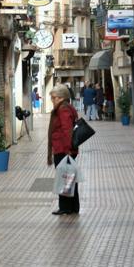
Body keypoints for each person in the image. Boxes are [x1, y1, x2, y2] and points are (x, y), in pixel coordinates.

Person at [47, 84, 80, 215]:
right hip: (65, 149)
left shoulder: (63, 110)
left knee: (64, 178)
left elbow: (67, 131)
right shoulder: (66, 107)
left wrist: (67, 150)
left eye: (54, 98)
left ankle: (66, 207)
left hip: (63, 150)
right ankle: (73, 207)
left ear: (61, 97)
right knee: (69, 178)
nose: (52, 100)